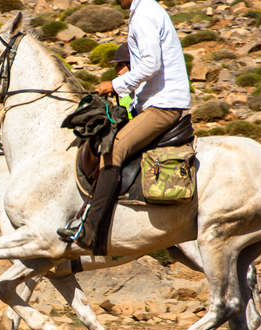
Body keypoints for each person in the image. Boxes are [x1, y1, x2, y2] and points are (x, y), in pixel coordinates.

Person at [58, 0, 191, 255]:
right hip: (156, 102)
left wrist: (116, 85)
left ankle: (91, 231)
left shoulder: (144, 15)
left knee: (115, 147)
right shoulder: (146, 11)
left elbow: (151, 64)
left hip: (163, 105)